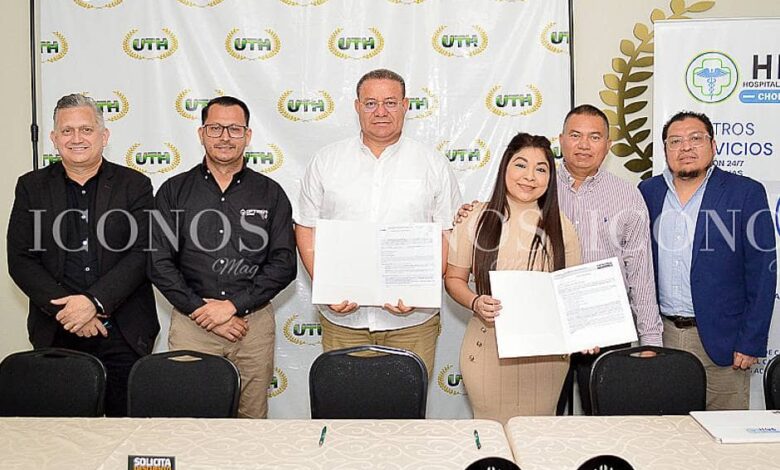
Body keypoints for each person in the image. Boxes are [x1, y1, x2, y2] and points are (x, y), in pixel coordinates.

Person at [457, 105, 662, 415]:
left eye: (595, 137)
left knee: (603, 423)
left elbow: (640, 273)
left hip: (600, 327)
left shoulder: (628, 196)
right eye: (575, 135)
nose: (584, 144)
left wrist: (650, 340)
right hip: (539, 334)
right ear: (561, 140)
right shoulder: (537, 185)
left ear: (608, 145)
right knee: (544, 421)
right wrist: (470, 213)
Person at [295, 69, 461, 378]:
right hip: (344, 321)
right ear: (357, 106)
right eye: (371, 103)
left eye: (390, 102)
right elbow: (306, 227)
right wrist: (326, 285)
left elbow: (446, 232)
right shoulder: (326, 161)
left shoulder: (433, 164)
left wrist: (419, 290)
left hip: (412, 323)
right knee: (344, 402)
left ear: (405, 106)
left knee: (407, 405)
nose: (381, 112)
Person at [7, 93, 159, 416]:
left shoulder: (135, 185)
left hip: (123, 333)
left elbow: (142, 253)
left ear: (104, 136)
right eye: (67, 131)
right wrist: (71, 311)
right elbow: (20, 259)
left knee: (125, 434)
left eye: (86, 129)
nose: (76, 138)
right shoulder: (31, 187)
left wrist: (93, 303)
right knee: (62, 436)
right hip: (57, 330)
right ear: (54, 138)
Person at [149, 96, 296, 418]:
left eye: (234, 129)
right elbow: (158, 263)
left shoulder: (270, 193)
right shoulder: (173, 191)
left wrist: (232, 306)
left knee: (251, 419)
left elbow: (284, 264)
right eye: (215, 128)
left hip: (251, 326)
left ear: (248, 135)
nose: (225, 137)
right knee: (191, 419)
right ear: (201, 133)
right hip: (193, 323)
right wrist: (201, 310)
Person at [639, 110, 776, 410]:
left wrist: (750, 341)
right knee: (668, 428)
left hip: (724, 342)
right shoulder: (647, 192)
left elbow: (762, 274)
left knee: (725, 431)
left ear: (713, 145)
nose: (685, 147)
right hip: (663, 337)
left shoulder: (745, 193)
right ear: (665, 150)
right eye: (675, 141)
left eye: (695, 138)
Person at [444, 133, 581, 424]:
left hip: (546, 357)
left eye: (541, 169)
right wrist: (475, 302)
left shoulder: (562, 227)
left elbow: (572, 293)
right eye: (520, 165)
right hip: (487, 350)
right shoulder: (475, 218)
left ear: (550, 177)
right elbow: (454, 278)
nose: (529, 176)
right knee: (492, 435)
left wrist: (586, 333)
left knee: (538, 437)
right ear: (505, 166)